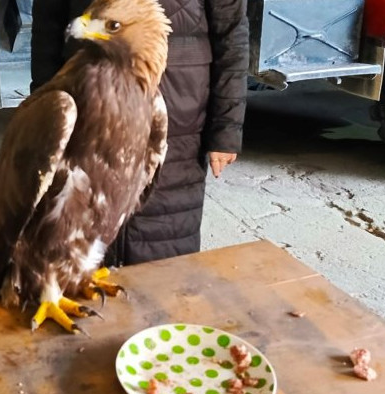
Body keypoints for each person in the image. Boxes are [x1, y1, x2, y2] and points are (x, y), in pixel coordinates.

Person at [30, 0, 248, 265]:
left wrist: (226, 127)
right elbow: (47, 29)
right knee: (81, 247)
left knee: (165, 249)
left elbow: (232, 34)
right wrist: (43, 117)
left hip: (178, 121)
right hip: (89, 110)